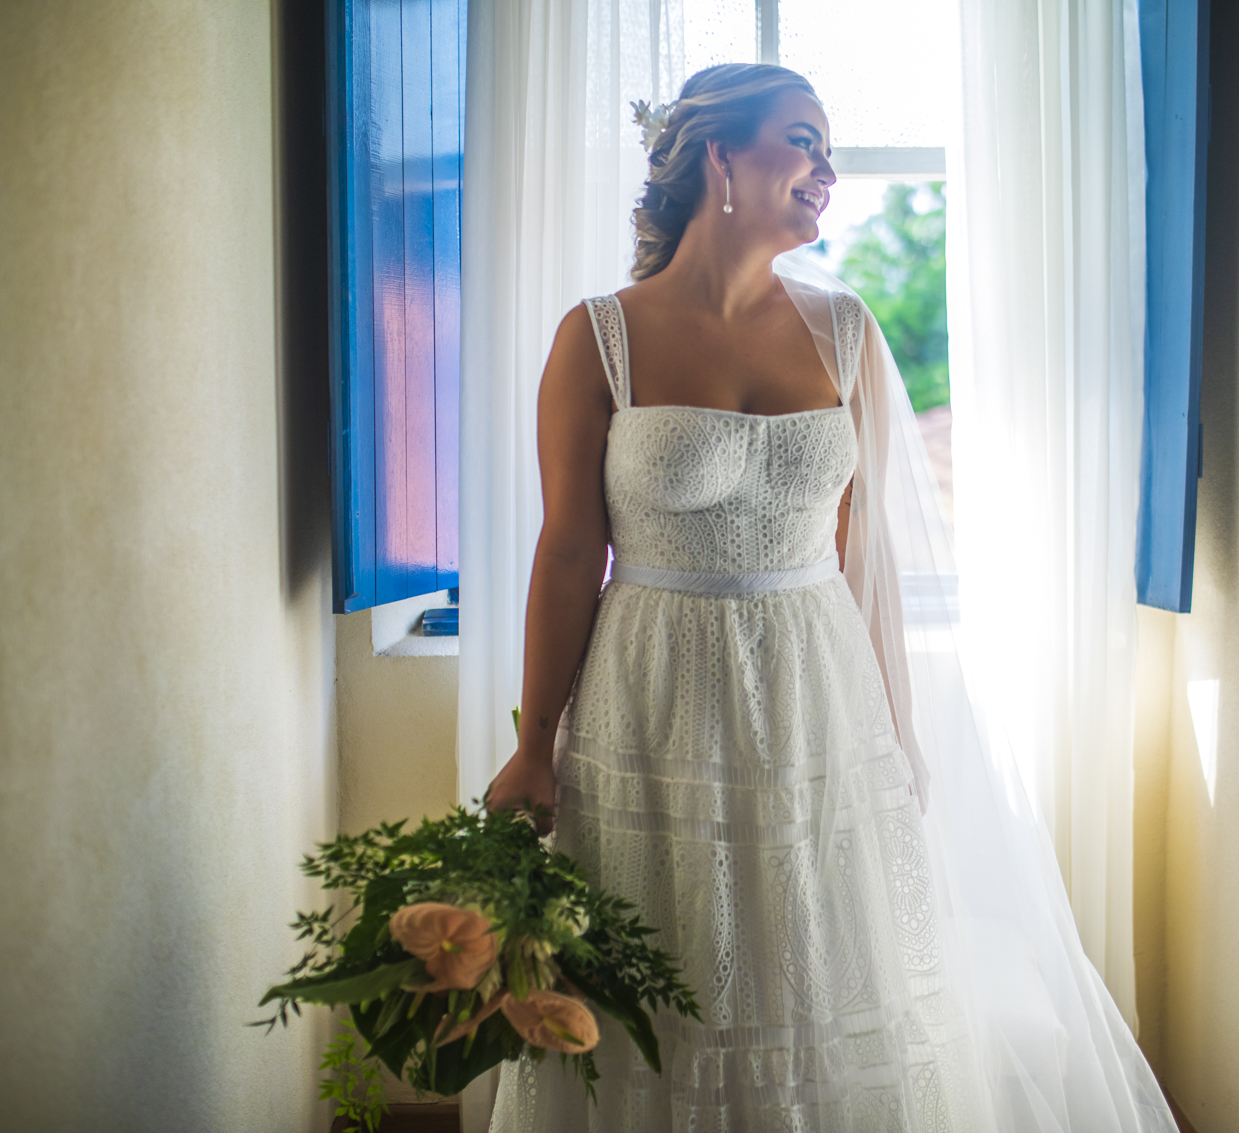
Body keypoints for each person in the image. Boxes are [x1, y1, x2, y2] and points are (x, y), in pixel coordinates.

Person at [484, 63, 1175, 1133]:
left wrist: (893, 734)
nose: (826, 170)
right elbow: (570, 551)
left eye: (827, 147)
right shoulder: (598, 335)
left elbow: (867, 557)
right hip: (653, 693)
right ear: (718, 155)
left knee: (813, 967)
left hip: (816, 695)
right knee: (661, 969)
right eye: (801, 141)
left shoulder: (846, 330)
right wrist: (535, 745)